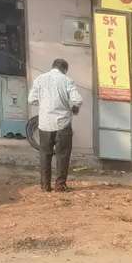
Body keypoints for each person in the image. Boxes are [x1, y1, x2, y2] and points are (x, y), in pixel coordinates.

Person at [28, 58, 82, 192]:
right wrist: (74, 108)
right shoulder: (67, 80)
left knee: (45, 155)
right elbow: (77, 100)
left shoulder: (40, 79)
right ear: (64, 69)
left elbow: (31, 99)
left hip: (44, 124)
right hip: (62, 124)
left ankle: (45, 186)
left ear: (53, 66)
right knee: (62, 155)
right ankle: (60, 185)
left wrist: (44, 104)